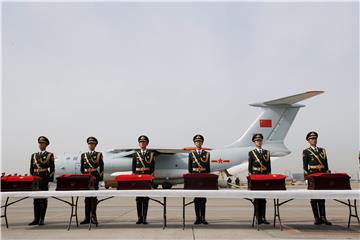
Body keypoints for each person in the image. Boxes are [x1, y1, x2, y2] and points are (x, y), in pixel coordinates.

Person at [303, 131, 332, 225]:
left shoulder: (322, 150)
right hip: (312, 176)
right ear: (308, 140)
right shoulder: (306, 151)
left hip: (322, 175)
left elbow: (326, 164)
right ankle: (317, 218)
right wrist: (306, 178)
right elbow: (305, 166)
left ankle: (323, 217)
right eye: (312, 139)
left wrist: (327, 175)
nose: (314, 140)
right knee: (314, 198)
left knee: (322, 197)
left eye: (315, 138)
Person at [29, 136, 55, 225]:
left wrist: (50, 180)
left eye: (42, 143)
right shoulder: (34, 155)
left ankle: (41, 219)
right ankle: (36, 218)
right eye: (39, 143)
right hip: (36, 178)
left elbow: (52, 168)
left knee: (43, 199)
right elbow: (31, 169)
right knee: (35, 199)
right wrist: (33, 179)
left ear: (46, 145)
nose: (40, 145)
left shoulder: (49, 155)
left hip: (44, 178)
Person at [80, 137, 104, 225]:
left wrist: (100, 179)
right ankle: (87, 217)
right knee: (86, 198)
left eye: (92, 144)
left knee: (93, 198)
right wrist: (83, 177)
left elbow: (101, 167)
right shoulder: (84, 155)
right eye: (89, 144)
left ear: (95, 145)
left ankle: (93, 217)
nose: (91, 145)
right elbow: (82, 168)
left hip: (94, 177)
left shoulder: (98, 154)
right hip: (86, 178)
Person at [248, 133, 271, 225]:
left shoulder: (267, 152)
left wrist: (269, 176)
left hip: (264, 176)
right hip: (256, 176)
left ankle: (263, 217)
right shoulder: (251, 153)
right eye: (257, 141)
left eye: (260, 140)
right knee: (257, 198)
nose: (259, 142)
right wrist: (251, 178)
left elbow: (268, 166)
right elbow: (250, 167)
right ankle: (258, 218)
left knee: (263, 199)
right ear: (254, 142)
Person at [132, 135, 155, 224]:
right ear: (139, 144)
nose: (142, 143)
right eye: (141, 142)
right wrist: (134, 179)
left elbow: (152, 168)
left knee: (145, 198)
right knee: (138, 198)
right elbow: (133, 168)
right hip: (138, 178)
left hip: (146, 178)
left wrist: (151, 180)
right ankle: (139, 218)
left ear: (147, 143)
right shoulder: (135, 154)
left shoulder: (151, 154)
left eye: (144, 142)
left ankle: (145, 218)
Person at [188, 134, 210, 225]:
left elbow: (208, 168)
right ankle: (197, 217)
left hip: (203, 177)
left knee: (203, 199)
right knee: (196, 198)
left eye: (200, 141)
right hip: (195, 177)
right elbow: (190, 168)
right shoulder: (191, 154)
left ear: (202, 142)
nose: (198, 143)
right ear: (194, 143)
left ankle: (203, 218)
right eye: (197, 141)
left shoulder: (207, 154)